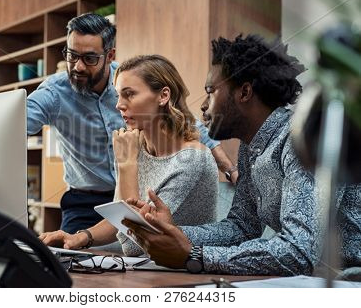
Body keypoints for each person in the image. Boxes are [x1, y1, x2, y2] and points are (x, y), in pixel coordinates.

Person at [123, 34, 361, 275]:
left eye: (211, 91)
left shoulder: (300, 140)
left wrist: (194, 256)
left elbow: (298, 251)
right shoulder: (250, 148)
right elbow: (241, 227)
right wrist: (174, 232)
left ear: (245, 92)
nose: (203, 106)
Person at [27, 13, 236, 234]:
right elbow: (15, 125)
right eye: (72, 55)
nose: (77, 66)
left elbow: (189, 123)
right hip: (83, 203)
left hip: (135, 191)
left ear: (109, 56)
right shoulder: (54, 93)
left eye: (89, 58)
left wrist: (230, 168)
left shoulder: (130, 80)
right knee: (69, 261)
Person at [39, 54, 219, 254]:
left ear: (163, 96)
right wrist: (81, 237)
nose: (119, 105)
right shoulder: (136, 146)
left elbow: (133, 244)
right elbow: (120, 216)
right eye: (118, 96)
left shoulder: (193, 160)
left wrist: (126, 164)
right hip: (149, 267)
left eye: (129, 94)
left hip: (184, 273)